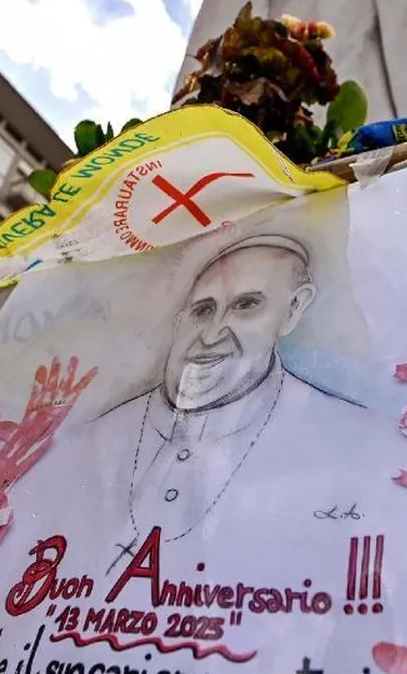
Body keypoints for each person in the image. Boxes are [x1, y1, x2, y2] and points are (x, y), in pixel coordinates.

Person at [80, 233, 374, 568]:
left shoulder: (361, 443)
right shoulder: (91, 441)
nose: (211, 335)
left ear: (293, 309)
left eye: (245, 305)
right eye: (203, 310)